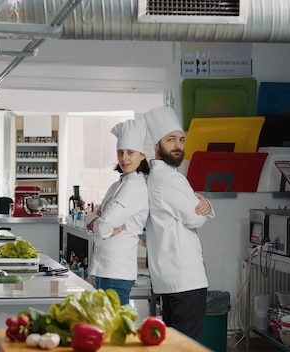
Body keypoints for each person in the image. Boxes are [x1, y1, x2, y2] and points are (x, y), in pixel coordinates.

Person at [142, 106, 214, 340]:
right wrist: (205, 203)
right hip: (186, 278)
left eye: (181, 139)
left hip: (168, 278)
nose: (178, 145)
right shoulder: (171, 178)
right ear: (156, 145)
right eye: (171, 139)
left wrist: (202, 202)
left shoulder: (152, 176)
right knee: (186, 345)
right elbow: (196, 218)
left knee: (173, 343)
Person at [84, 119, 149, 305]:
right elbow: (94, 221)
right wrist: (96, 221)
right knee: (106, 327)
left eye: (130, 152)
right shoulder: (117, 185)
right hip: (104, 269)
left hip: (117, 270)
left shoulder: (135, 187)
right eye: (120, 152)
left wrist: (97, 222)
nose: (124, 158)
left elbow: (103, 226)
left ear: (142, 155)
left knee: (115, 329)